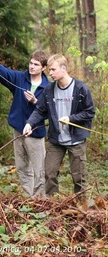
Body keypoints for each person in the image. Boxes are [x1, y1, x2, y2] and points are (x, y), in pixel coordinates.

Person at [23, 54, 95, 197]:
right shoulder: (49, 90)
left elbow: (89, 112)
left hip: (76, 140)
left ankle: (82, 207)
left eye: (53, 70)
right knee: (49, 173)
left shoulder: (80, 89)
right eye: (49, 70)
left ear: (64, 68)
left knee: (79, 177)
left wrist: (70, 118)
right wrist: (30, 123)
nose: (50, 73)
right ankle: (53, 205)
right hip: (56, 140)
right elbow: (40, 110)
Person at [0, 50, 49, 197]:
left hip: (35, 133)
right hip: (18, 130)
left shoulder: (47, 87)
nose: (32, 67)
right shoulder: (21, 78)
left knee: (40, 169)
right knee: (22, 167)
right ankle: (28, 197)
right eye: (31, 63)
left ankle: (39, 200)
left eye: (36, 64)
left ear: (43, 68)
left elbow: (48, 112)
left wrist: (35, 102)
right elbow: (6, 74)